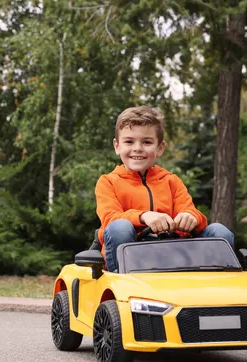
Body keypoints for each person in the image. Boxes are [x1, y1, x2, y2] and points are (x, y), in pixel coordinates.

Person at [95, 106, 234, 272]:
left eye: (147, 142)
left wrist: (190, 217)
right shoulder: (108, 182)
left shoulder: (171, 181)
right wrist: (144, 216)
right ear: (117, 146)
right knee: (120, 228)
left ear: (160, 148)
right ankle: (120, 280)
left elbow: (195, 215)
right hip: (131, 258)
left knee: (219, 231)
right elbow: (110, 219)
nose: (138, 148)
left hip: (175, 254)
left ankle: (216, 283)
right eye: (129, 141)